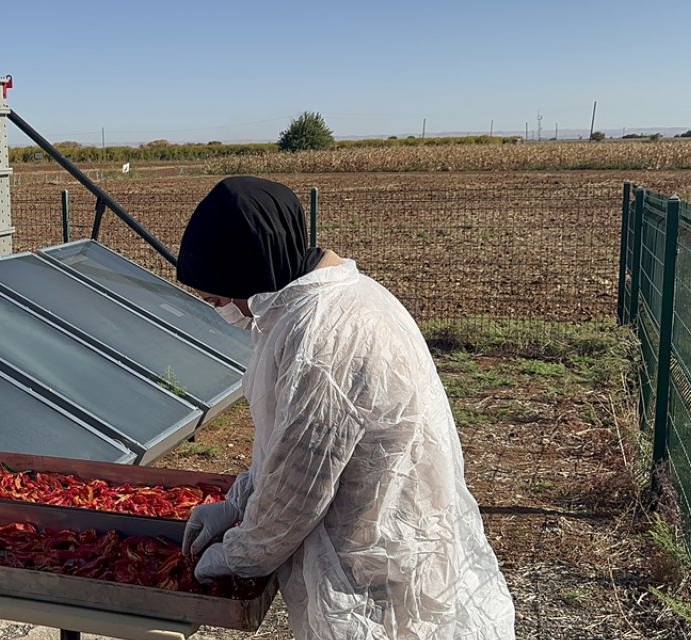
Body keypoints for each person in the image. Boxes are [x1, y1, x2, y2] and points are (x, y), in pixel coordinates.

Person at [176, 176, 515, 639]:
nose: (230, 312)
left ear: (250, 272)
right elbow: (292, 443)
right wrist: (237, 503)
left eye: (222, 298)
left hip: (373, 567)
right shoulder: (340, 298)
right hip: (384, 544)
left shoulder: (321, 337)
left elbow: (299, 491)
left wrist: (239, 551)